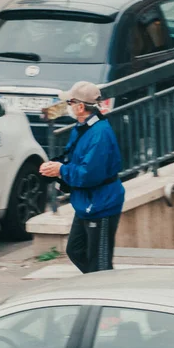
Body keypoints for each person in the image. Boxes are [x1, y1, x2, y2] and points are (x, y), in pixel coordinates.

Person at [40, 81, 125, 273]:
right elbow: (74, 159)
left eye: (69, 102)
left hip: (101, 204)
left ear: (80, 107)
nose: (67, 106)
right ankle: (97, 286)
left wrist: (61, 170)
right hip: (87, 202)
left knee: (100, 264)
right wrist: (55, 167)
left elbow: (89, 174)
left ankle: (103, 292)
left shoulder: (99, 133)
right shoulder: (83, 127)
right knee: (76, 250)